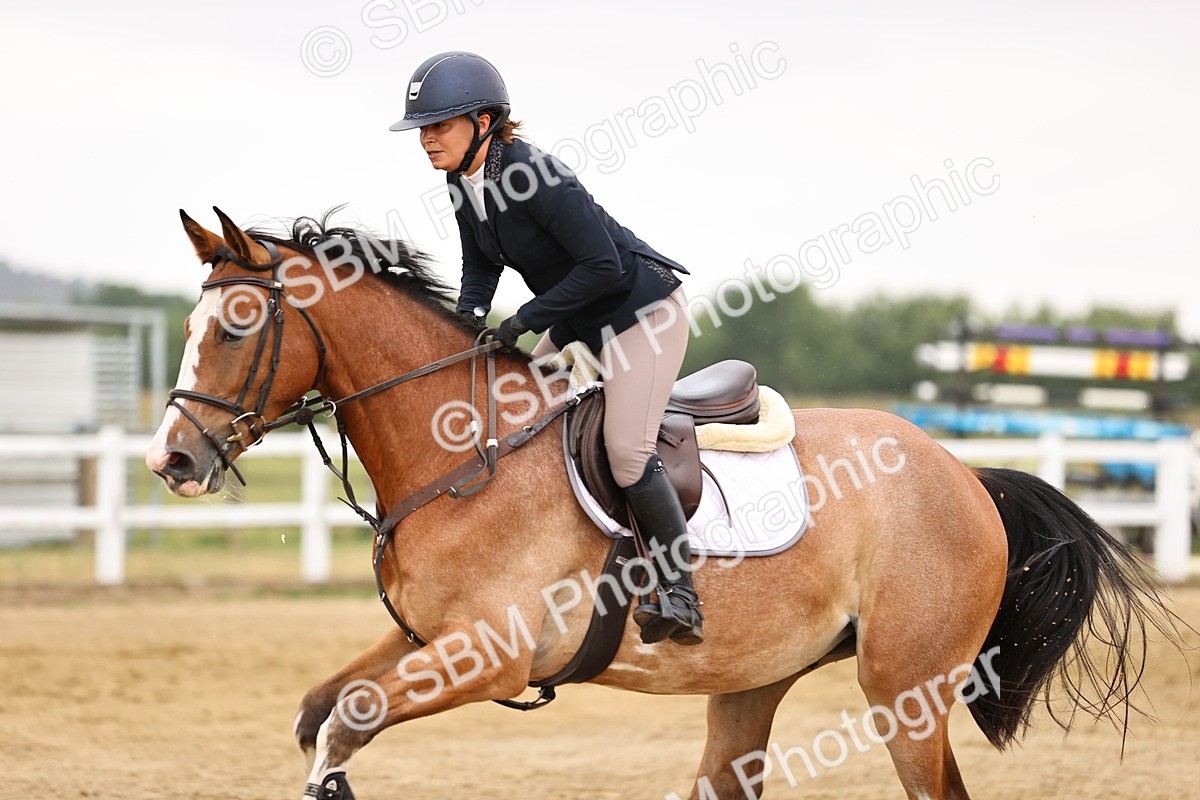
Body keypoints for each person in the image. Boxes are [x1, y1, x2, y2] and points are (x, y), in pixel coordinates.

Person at [390, 51, 702, 646]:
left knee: (627, 451)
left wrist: (525, 321)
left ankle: (680, 592)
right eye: (422, 129)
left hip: (643, 316)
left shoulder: (537, 175)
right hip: (581, 320)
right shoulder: (463, 181)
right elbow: (480, 264)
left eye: (439, 125)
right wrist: (469, 323)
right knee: (512, 411)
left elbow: (603, 265)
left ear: (483, 122)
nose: (427, 139)